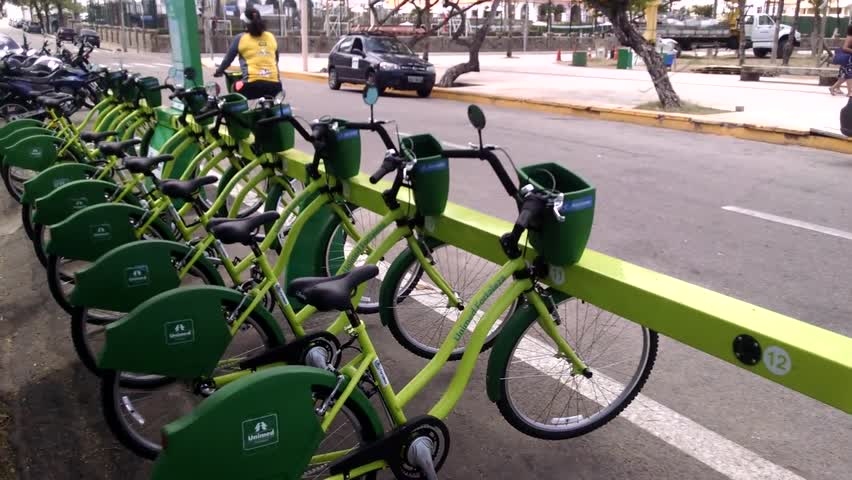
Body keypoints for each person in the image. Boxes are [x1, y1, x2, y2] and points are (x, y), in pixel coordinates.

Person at [213, 7, 283, 99]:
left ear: (245, 23)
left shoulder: (240, 38)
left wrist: (219, 71)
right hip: (276, 87)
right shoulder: (271, 37)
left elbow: (228, 60)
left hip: (251, 86)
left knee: (234, 87)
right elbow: (276, 59)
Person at [830, 25, 852, 96]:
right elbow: (844, 48)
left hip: (849, 59)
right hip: (848, 60)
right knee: (849, 76)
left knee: (845, 77)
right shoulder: (850, 37)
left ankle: (833, 88)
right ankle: (849, 92)